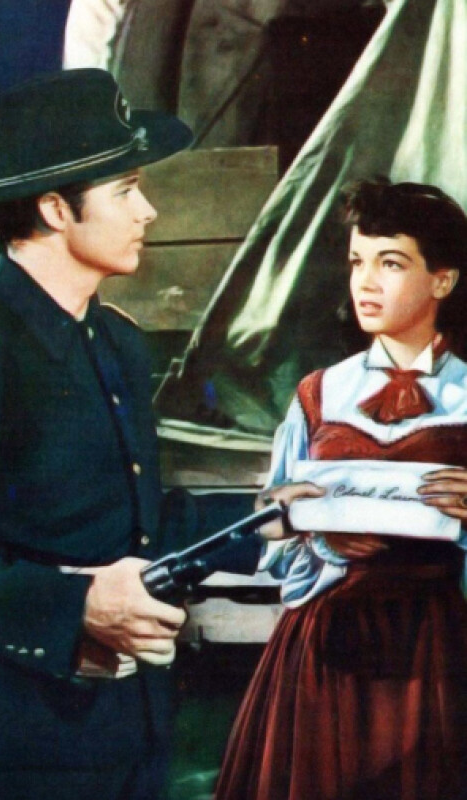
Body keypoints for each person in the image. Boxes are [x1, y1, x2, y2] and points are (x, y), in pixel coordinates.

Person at [0, 68, 264, 800]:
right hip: (18, 740)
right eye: (126, 189)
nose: (148, 210)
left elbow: (138, 523)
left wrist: (275, 517)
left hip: (132, 731)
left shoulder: (117, 341)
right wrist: (74, 608)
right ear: (55, 209)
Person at [215, 178, 467, 800]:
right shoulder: (319, 392)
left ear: (443, 280)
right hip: (324, 644)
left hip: (435, 648)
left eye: (391, 263)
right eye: (358, 262)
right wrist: (294, 521)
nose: (366, 282)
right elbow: (270, 529)